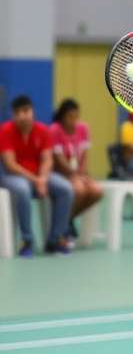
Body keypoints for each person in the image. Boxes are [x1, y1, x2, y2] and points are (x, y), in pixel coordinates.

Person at [0, 95, 74, 256]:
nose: (22, 116)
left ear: (33, 112)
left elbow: (47, 160)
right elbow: (10, 165)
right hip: (12, 177)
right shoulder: (5, 131)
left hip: (39, 176)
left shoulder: (43, 130)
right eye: (17, 112)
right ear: (13, 115)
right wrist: (37, 180)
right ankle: (27, 240)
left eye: (25, 111)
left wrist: (43, 178)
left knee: (65, 188)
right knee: (23, 189)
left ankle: (55, 239)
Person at [50, 98, 104, 244]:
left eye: (76, 116)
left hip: (78, 174)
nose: (73, 120)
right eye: (70, 117)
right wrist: (75, 176)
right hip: (60, 174)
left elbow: (85, 156)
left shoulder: (83, 128)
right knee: (79, 190)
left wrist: (82, 173)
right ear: (62, 116)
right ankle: (64, 227)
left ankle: (67, 219)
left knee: (96, 191)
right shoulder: (55, 130)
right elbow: (59, 160)